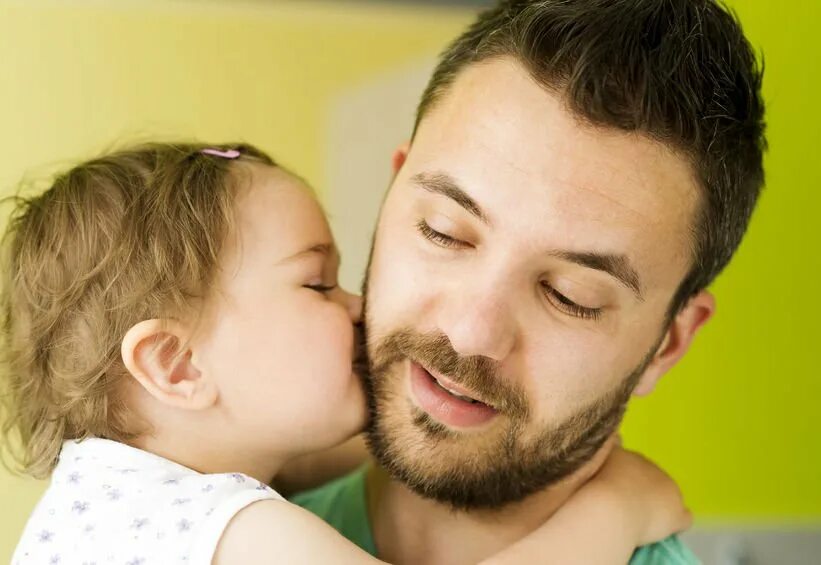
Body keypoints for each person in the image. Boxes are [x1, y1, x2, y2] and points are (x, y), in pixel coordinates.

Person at [2, 143, 689, 564]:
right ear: (177, 364)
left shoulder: (110, 494)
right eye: (317, 282)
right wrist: (615, 510)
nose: (359, 306)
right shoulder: (219, 523)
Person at [292, 0, 766, 564]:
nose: (471, 333)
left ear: (669, 342)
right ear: (393, 192)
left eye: (570, 296)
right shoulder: (209, 519)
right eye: (443, 232)